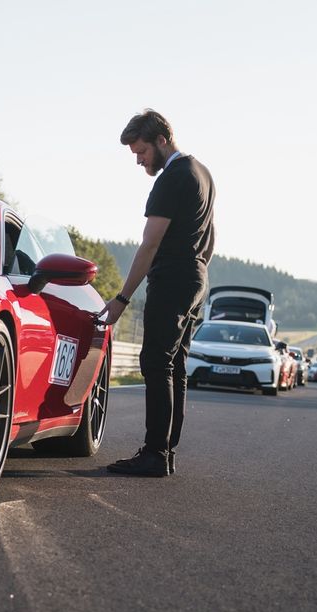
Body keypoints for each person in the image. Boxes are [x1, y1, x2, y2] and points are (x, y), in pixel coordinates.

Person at [100, 110, 215, 477]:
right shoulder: (202, 174)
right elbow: (210, 237)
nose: (139, 160)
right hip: (196, 275)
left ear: (161, 141)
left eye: (142, 151)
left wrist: (122, 298)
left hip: (173, 279)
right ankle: (165, 453)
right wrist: (197, 271)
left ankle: (154, 454)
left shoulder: (172, 178)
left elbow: (150, 245)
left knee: (155, 362)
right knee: (174, 365)